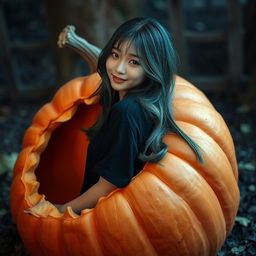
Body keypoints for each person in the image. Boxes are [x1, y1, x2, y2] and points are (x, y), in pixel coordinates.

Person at [55, 17, 203, 214]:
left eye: (134, 62)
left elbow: (108, 185)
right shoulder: (144, 103)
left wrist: (63, 210)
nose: (119, 68)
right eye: (115, 55)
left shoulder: (126, 113)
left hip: (106, 218)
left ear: (153, 68)